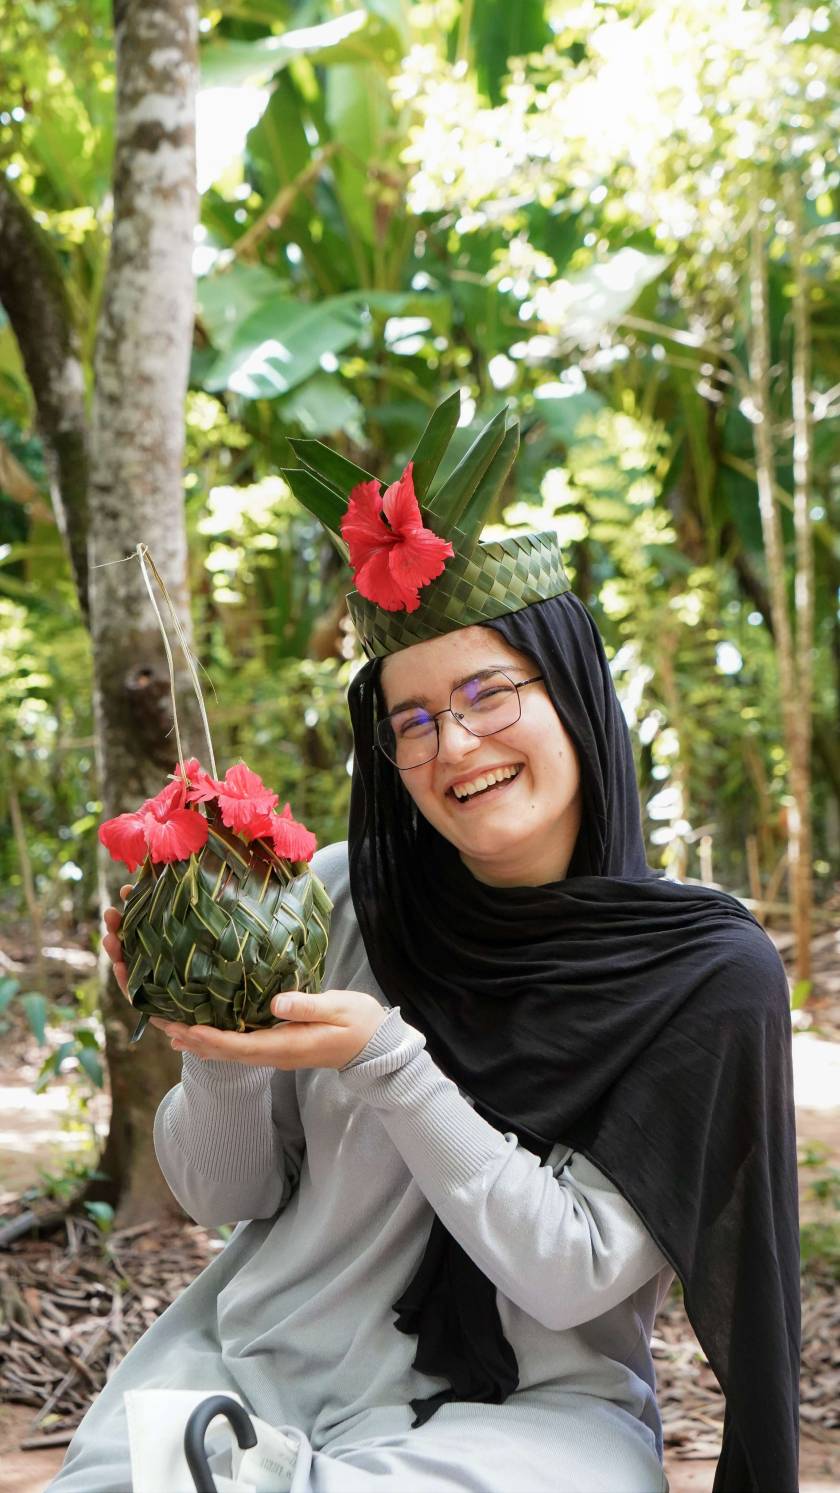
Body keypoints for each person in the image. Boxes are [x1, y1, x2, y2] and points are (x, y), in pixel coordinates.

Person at [47, 399, 799, 1493]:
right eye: (412, 720)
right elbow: (221, 1191)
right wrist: (212, 1031)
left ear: (575, 692)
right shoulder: (335, 900)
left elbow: (571, 1274)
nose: (454, 744)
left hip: (529, 1421)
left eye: (488, 693)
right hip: (262, 1365)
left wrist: (388, 1060)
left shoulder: (699, 973)